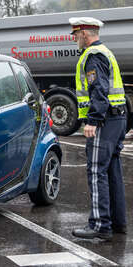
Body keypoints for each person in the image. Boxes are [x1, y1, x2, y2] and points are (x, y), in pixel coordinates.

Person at [70, 17, 127, 241]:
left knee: (95, 171)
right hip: (117, 119)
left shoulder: (92, 56)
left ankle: (100, 225)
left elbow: (99, 91)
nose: (75, 39)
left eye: (76, 34)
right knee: (112, 171)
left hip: (104, 122)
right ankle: (117, 222)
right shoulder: (106, 52)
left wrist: (92, 121)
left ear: (85, 33)